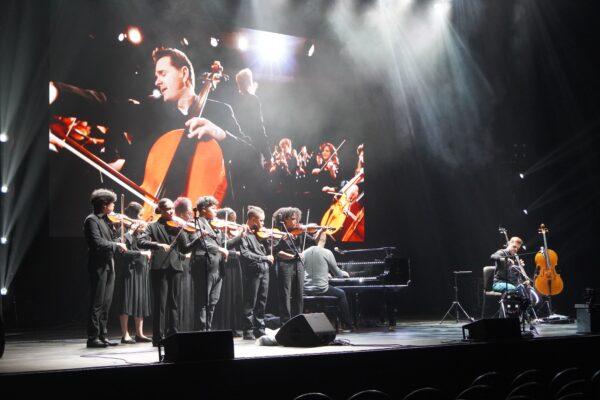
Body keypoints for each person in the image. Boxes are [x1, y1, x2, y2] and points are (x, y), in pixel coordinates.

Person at [50, 47, 240, 205]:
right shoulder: (151, 111)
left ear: (184, 73)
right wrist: (61, 93)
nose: (157, 81)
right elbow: (109, 106)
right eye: (156, 76)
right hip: (147, 213)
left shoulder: (221, 112)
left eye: (162, 73)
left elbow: (252, 157)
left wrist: (220, 133)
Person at [137, 198, 190, 346]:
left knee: (174, 303)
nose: (171, 211)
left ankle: (174, 335)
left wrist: (196, 238)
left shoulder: (177, 226)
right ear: (160, 210)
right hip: (159, 268)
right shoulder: (152, 226)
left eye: (172, 208)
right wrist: (158, 245)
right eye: (168, 209)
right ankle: (158, 338)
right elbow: (140, 241)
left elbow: (185, 248)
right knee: (160, 304)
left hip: (175, 268)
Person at [189, 196, 243, 331]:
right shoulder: (196, 222)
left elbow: (226, 245)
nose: (216, 210)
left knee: (212, 302)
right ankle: (201, 332)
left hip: (217, 268)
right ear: (202, 209)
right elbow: (202, 243)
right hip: (204, 266)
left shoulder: (215, 226)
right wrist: (220, 249)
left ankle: (208, 330)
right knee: (203, 302)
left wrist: (240, 236)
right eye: (213, 208)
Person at [83, 188, 127, 348]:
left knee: (107, 302)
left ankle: (103, 334)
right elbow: (97, 243)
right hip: (98, 265)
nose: (114, 206)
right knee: (97, 302)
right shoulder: (91, 220)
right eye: (112, 204)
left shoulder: (105, 220)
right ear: (104, 205)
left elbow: (111, 240)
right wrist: (116, 244)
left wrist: (123, 235)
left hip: (109, 264)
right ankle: (93, 337)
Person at [115, 202, 152, 344]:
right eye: (140, 215)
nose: (142, 218)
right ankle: (125, 334)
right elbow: (123, 251)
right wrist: (141, 252)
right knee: (127, 301)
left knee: (140, 301)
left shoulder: (142, 231)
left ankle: (139, 333)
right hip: (129, 269)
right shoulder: (123, 230)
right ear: (133, 215)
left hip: (141, 269)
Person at [273, 207, 317, 323]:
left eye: (297, 218)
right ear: (284, 220)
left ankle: (299, 321)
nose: (296, 221)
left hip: (298, 264)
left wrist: (321, 231)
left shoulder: (300, 232)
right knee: (285, 294)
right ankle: (285, 323)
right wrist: (285, 242)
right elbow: (276, 252)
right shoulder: (278, 233)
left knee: (299, 294)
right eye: (293, 219)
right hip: (285, 265)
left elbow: (314, 240)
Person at [302, 231, 353, 331]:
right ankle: (347, 324)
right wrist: (344, 273)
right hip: (322, 288)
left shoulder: (304, 252)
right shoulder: (327, 252)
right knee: (342, 294)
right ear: (324, 240)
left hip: (306, 289)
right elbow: (338, 274)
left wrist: (325, 274)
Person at [238, 206, 274, 340]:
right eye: (262, 221)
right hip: (253, 271)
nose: (263, 224)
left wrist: (269, 240)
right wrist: (264, 258)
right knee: (250, 301)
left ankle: (260, 329)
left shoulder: (260, 235)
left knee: (262, 301)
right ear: (253, 219)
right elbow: (245, 254)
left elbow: (269, 251)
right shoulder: (244, 233)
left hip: (264, 269)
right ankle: (248, 331)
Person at [213, 208, 244, 335]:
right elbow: (221, 248)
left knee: (235, 296)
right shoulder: (219, 232)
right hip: (225, 266)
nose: (233, 224)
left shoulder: (231, 232)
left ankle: (234, 326)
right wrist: (235, 251)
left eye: (234, 221)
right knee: (226, 297)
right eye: (231, 221)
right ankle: (224, 327)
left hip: (235, 266)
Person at [173, 197, 195, 331]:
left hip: (188, 264)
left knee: (187, 297)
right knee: (180, 297)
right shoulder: (177, 226)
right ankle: (179, 327)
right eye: (188, 212)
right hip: (180, 264)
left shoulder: (188, 227)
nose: (191, 214)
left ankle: (186, 326)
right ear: (181, 214)